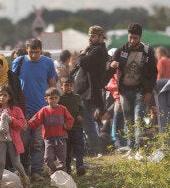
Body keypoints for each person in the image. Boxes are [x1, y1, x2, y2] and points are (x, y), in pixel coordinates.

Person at [108, 23, 158, 157]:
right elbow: (110, 63)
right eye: (130, 37)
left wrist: (149, 91)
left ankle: (139, 148)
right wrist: (112, 64)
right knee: (128, 120)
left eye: (135, 38)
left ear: (140, 37)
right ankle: (131, 148)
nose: (132, 41)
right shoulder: (122, 49)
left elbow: (154, 73)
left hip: (140, 91)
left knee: (138, 119)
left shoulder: (148, 51)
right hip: (124, 91)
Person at [13, 38, 58, 182]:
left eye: (37, 52)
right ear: (26, 50)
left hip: (41, 110)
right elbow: (12, 84)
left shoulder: (47, 63)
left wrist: (53, 106)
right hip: (22, 110)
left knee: (37, 143)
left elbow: (52, 86)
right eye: (31, 52)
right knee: (22, 142)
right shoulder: (19, 62)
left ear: (41, 50)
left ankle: (37, 172)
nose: (34, 55)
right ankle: (23, 170)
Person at [0, 85, 30, 188]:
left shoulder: (17, 110)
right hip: (0, 140)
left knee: (16, 162)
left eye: (5, 95)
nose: (2, 97)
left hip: (13, 140)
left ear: (9, 97)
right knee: (0, 162)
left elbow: (22, 124)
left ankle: (25, 180)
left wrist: (12, 120)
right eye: (0, 95)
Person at [74, 26, 109, 155]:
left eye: (93, 36)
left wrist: (83, 52)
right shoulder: (94, 49)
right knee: (87, 123)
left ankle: (96, 150)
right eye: (89, 36)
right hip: (85, 90)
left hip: (89, 91)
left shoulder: (98, 50)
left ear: (100, 37)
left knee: (88, 124)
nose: (90, 38)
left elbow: (82, 62)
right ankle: (93, 149)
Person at [28, 87, 74, 175]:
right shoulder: (44, 110)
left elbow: (70, 119)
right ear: (46, 99)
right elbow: (36, 119)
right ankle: (53, 170)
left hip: (61, 139)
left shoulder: (62, 109)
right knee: (48, 158)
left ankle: (62, 175)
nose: (53, 100)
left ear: (59, 98)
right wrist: (28, 124)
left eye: (56, 98)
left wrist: (67, 125)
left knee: (62, 159)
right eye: (51, 98)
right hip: (49, 140)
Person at [58, 77, 85, 176]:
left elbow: (82, 109)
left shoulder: (77, 97)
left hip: (77, 127)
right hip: (65, 128)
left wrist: (80, 115)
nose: (68, 87)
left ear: (73, 86)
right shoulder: (59, 98)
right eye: (66, 85)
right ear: (61, 86)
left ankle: (80, 166)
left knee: (79, 147)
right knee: (66, 149)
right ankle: (67, 168)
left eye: (71, 85)